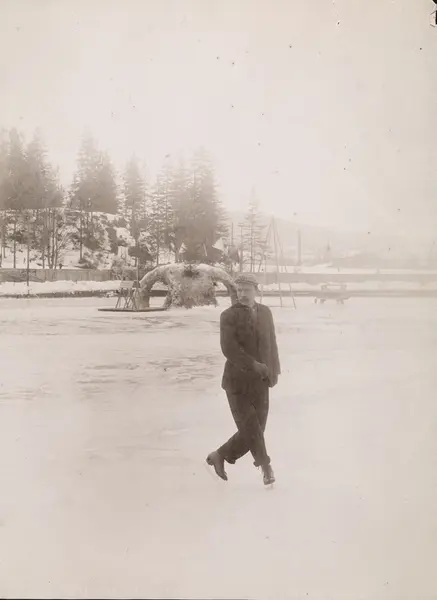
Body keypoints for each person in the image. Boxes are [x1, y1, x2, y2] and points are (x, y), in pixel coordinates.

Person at [206, 272, 281, 486]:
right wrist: (253, 365)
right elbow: (229, 349)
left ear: (256, 291)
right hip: (236, 383)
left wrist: (275, 370)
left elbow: (272, 343)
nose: (242, 294)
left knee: (256, 430)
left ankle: (219, 455)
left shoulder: (265, 312)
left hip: (262, 381)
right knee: (252, 429)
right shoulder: (228, 315)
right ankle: (266, 467)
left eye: (246, 290)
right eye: (238, 290)